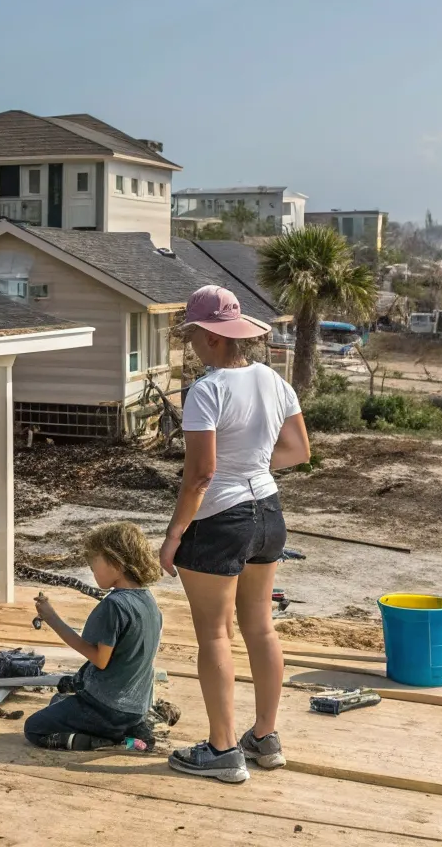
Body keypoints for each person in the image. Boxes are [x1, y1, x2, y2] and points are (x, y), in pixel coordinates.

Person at [159, 285, 309, 783]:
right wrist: (255, 469)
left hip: (221, 517)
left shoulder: (207, 390)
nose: (193, 345)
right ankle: (264, 736)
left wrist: (174, 534)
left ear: (211, 336)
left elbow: (200, 474)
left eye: (194, 336)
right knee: (261, 628)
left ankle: (223, 750)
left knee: (215, 635)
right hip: (268, 511)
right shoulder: (273, 380)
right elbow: (298, 450)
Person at [25, 522, 164, 751]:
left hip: (106, 707)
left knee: (35, 727)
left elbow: (100, 659)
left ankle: (107, 741)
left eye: (94, 563)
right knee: (58, 702)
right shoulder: (148, 601)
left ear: (117, 564)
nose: (91, 570)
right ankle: (134, 737)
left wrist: (52, 618)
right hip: (136, 707)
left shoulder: (114, 605)